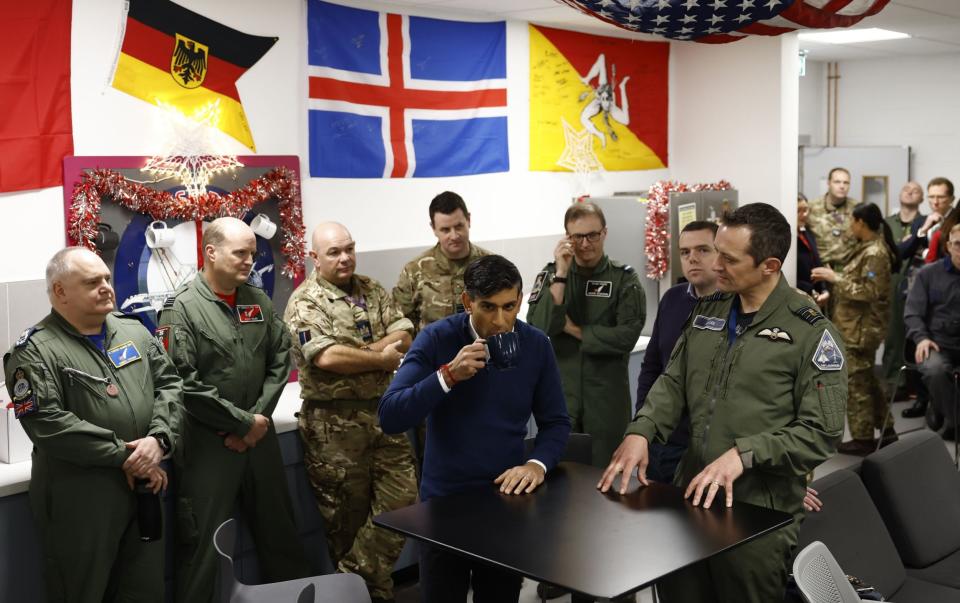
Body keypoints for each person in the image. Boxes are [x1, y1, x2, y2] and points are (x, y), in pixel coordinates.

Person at [599, 203, 847, 603]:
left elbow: (821, 433)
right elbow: (674, 381)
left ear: (768, 265)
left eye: (729, 258)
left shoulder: (810, 333)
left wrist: (744, 455)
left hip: (757, 512)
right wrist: (641, 431)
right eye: (715, 250)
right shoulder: (707, 313)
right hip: (691, 496)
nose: (714, 265)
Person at [379, 255, 571, 603]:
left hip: (505, 503)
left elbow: (556, 423)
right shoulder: (437, 338)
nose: (500, 321)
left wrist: (536, 464)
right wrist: (447, 376)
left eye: (509, 307)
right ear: (468, 302)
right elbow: (390, 416)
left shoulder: (536, 345)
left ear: (520, 299)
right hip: (444, 504)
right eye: (488, 307)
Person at [3, 247, 181, 603]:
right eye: (91, 282)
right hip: (82, 496)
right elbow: (49, 423)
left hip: (145, 485)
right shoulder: (34, 351)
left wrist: (159, 440)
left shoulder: (133, 331)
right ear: (60, 292)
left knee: (144, 590)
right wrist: (127, 456)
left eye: (106, 278)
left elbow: (170, 385)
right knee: (82, 592)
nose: (106, 287)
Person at [157, 217, 309, 603]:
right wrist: (242, 423)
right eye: (240, 253)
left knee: (281, 537)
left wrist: (256, 420)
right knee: (203, 550)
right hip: (210, 445)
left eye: (253, 254)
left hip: (259, 440)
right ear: (211, 252)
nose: (249, 262)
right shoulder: (182, 310)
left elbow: (280, 358)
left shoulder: (255, 300)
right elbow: (183, 382)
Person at [284, 222, 417, 603]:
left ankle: (345, 583)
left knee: (404, 505)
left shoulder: (371, 288)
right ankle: (371, 596)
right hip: (334, 429)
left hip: (385, 415)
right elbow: (327, 356)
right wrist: (379, 356)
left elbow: (404, 334)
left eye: (349, 249)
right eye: (334, 252)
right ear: (315, 258)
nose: (345, 258)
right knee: (347, 524)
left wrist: (360, 354)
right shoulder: (305, 301)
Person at [526, 201, 645, 467]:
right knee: (560, 476)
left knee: (608, 478)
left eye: (593, 235)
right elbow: (539, 327)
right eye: (577, 236)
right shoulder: (550, 274)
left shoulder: (624, 279)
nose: (586, 243)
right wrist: (561, 274)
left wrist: (574, 330)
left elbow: (627, 336)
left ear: (604, 233)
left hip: (606, 400)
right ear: (567, 238)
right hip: (561, 398)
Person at [812, 203, 900, 456]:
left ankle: (862, 438)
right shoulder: (864, 249)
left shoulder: (875, 253)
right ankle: (887, 429)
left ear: (861, 222)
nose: (850, 226)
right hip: (855, 325)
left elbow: (870, 292)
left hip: (861, 330)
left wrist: (835, 279)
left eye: (853, 221)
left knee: (856, 383)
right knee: (867, 380)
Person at [636, 220, 719, 483]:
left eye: (703, 250)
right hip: (660, 438)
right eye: (685, 252)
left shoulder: (739, 307)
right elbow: (651, 368)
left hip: (706, 450)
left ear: (722, 254)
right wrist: (642, 426)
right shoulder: (672, 299)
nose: (692, 258)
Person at [393, 191, 491, 333]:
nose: (454, 236)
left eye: (459, 226)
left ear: (469, 220)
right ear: (433, 228)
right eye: (445, 230)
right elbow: (402, 324)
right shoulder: (414, 271)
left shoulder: (491, 266)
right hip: (434, 352)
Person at [904, 223, 960, 440]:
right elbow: (912, 313)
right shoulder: (928, 274)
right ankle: (954, 420)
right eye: (958, 244)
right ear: (948, 246)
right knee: (936, 370)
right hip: (936, 343)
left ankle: (940, 410)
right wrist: (921, 338)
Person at [882, 182, 927, 414]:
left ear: (922, 198)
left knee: (916, 339)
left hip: (919, 289)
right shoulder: (887, 224)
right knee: (892, 337)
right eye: (906, 188)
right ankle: (893, 384)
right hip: (890, 286)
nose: (909, 191)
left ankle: (917, 388)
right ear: (899, 194)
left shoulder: (927, 223)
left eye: (916, 190)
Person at [807, 167, 859, 272]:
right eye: (837, 182)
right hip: (821, 270)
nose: (842, 186)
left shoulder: (857, 209)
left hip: (850, 271)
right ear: (829, 183)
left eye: (846, 183)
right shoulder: (812, 208)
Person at [796, 193, 828, 305]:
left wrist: (824, 289)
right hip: (801, 297)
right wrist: (811, 291)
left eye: (806, 210)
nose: (804, 214)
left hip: (816, 295)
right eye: (798, 211)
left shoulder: (806, 233)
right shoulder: (788, 239)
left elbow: (817, 262)